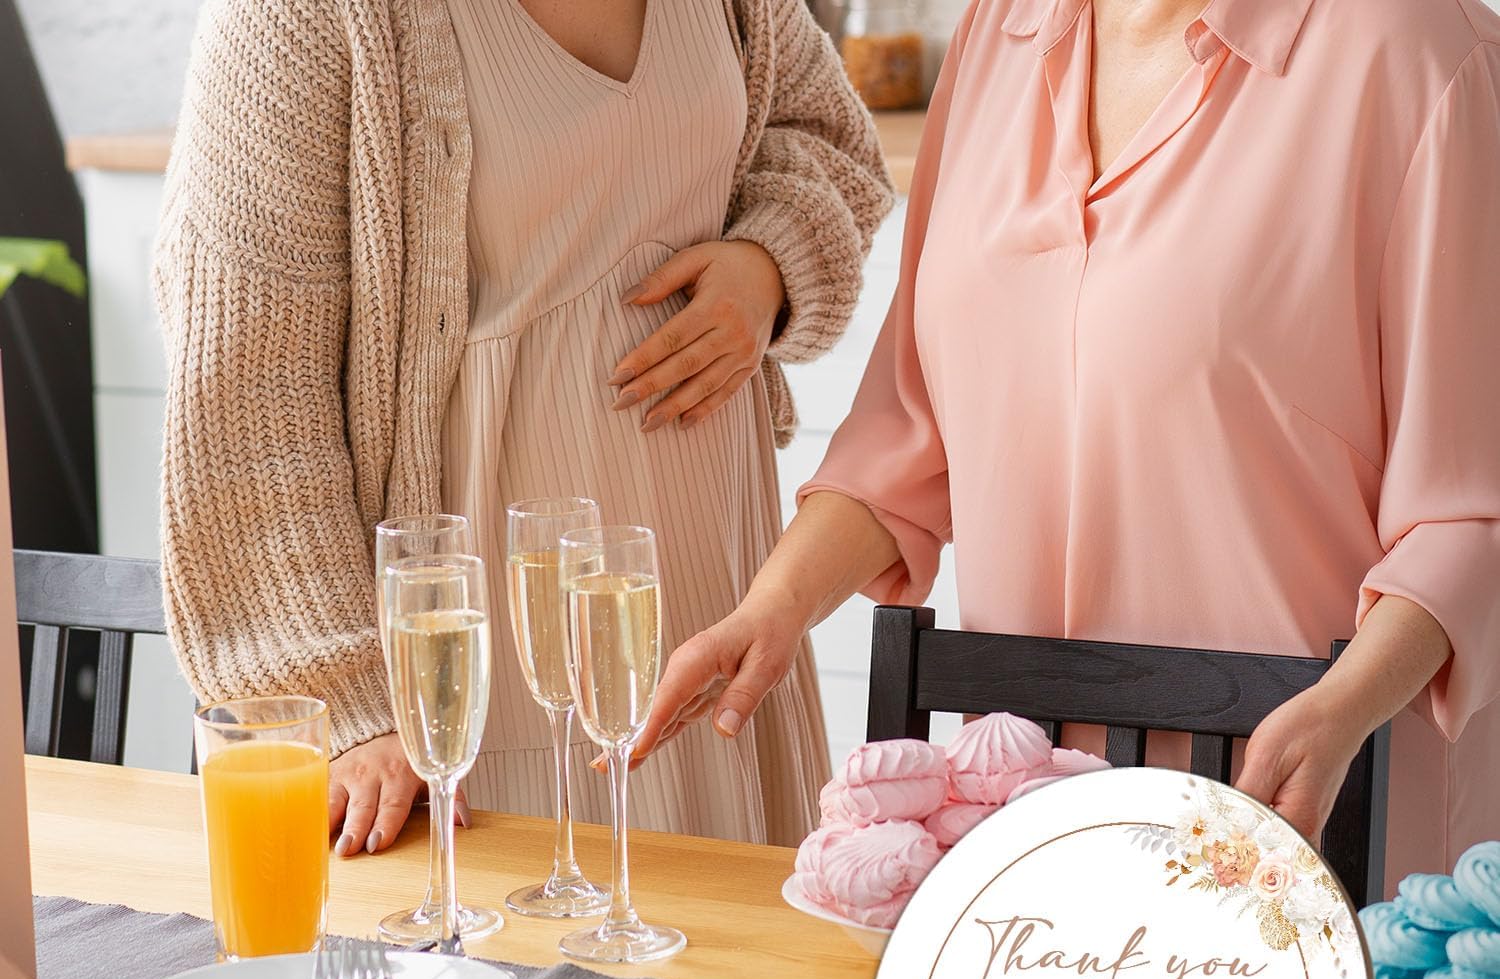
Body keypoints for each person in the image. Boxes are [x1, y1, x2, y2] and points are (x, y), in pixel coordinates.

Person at [638, 0, 1500, 888]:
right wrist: (772, 610)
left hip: (1308, 807)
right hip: (1034, 837)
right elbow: (910, 432)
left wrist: (1342, 710)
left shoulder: (1419, 55)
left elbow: (1472, 518)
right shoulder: (1001, 31)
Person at [155, 0, 893, 852]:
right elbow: (247, 398)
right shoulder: (299, 18)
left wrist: (770, 264)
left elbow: (829, 140)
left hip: (721, 612)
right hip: (487, 665)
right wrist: (345, 704)